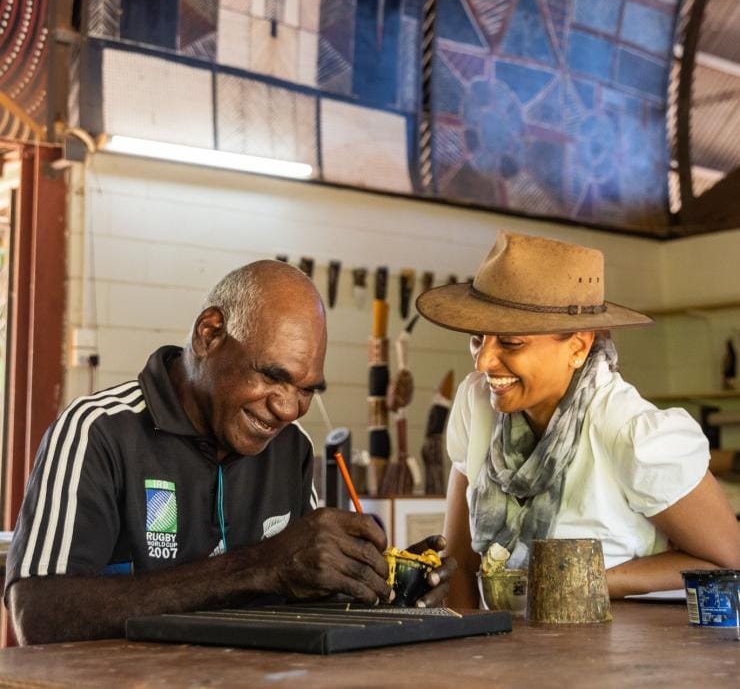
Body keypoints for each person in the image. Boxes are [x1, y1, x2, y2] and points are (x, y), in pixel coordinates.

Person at [6, 260, 454, 643]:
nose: (287, 408)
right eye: (272, 376)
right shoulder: (99, 433)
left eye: (306, 391)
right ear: (210, 334)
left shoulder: (290, 449)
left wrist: (377, 579)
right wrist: (259, 566)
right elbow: (38, 614)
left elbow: (301, 582)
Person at [416, 231, 740, 609]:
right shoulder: (477, 404)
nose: (483, 361)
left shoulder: (628, 430)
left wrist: (587, 580)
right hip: (509, 654)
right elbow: (461, 564)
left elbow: (727, 559)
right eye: (477, 338)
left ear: (578, 346)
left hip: (625, 651)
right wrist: (469, 655)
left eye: (510, 342)